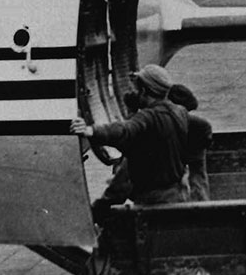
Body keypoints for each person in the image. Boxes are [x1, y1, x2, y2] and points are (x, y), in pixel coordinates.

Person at [70, 64, 195, 205]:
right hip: (179, 196)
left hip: (154, 201)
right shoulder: (180, 112)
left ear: (143, 90)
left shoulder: (148, 117)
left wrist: (91, 131)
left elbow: (125, 130)